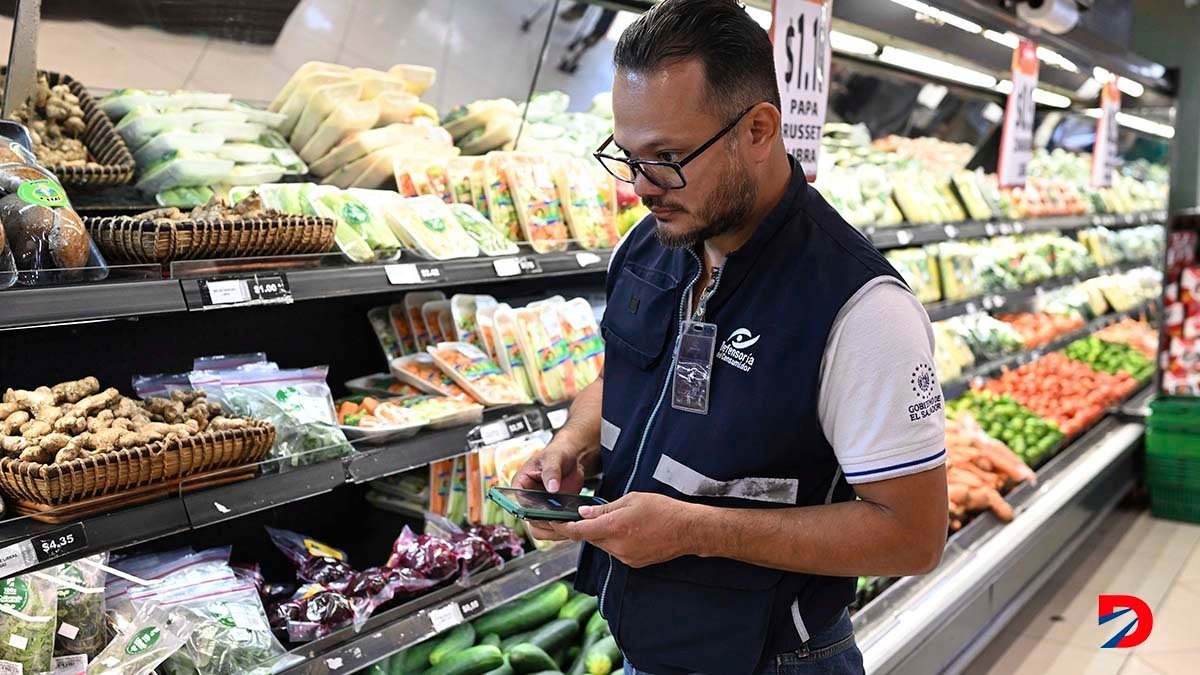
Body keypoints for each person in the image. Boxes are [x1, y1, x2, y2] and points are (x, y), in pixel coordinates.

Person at [514, 1, 949, 673]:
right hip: (648, 645)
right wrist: (573, 444)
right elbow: (629, 375)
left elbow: (913, 535)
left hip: (774, 659)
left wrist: (692, 529)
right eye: (626, 156)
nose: (641, 186)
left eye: (667, 157)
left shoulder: (859, 307)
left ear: (759, 129)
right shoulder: (651, 246)